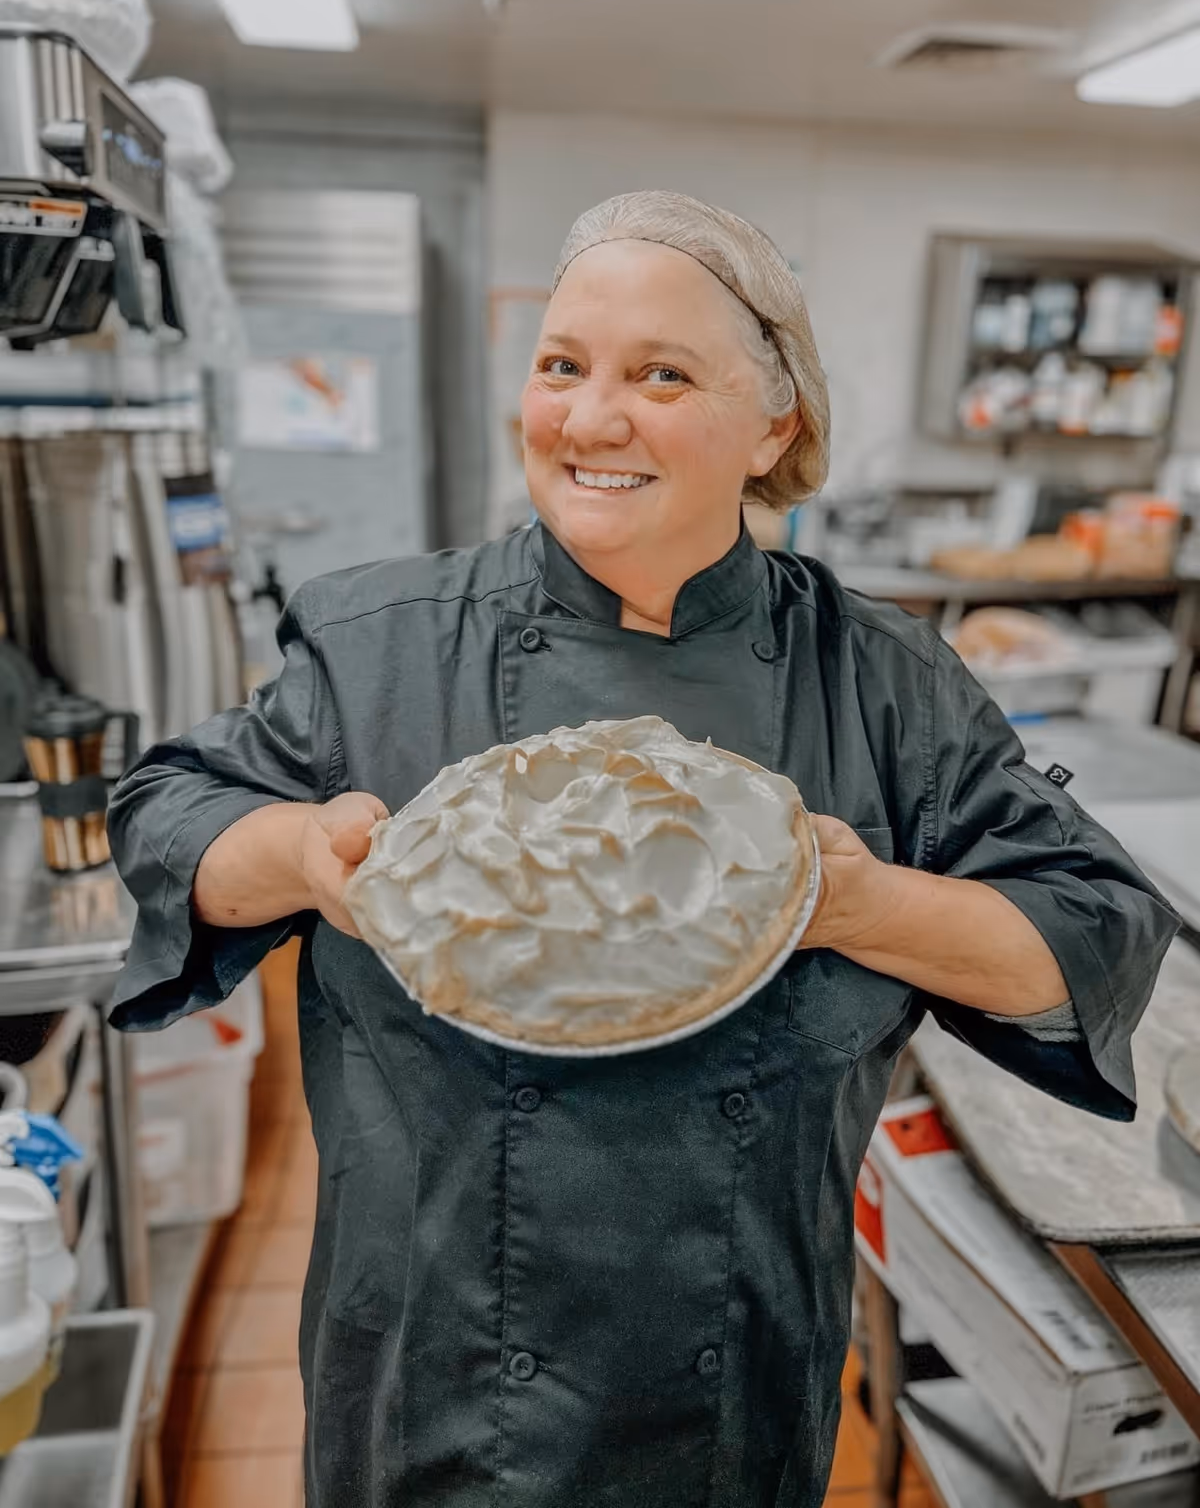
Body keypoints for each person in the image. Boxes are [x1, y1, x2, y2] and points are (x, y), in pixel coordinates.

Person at [108, 191, 1179, 1508]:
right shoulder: (380, 642)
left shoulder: (884, 684)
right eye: (564, 366)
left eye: (660, 374)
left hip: (732, 1397)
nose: (592, 417)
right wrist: (301, 852)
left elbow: (1090, 930)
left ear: (773, 421)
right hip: (424, 1388)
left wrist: (848, 900)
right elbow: (167, 813)